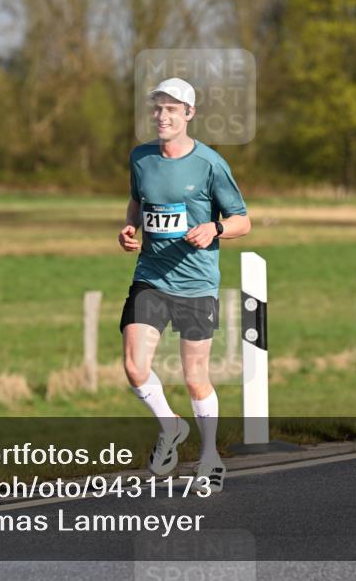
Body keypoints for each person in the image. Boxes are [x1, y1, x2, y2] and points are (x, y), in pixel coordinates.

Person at [118, 77, 250, 493]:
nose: (162, 116)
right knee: (134, 366)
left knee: (195, 376)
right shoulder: (140, 158)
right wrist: (128, 227)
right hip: (151, 277)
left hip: (196, 283)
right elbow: (138, 201)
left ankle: (210, 456)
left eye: (172, 109)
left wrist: (214, 228)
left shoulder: (210, 164)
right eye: (158, 108)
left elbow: (242, 220)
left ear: (189, 114)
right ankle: (171, 426)